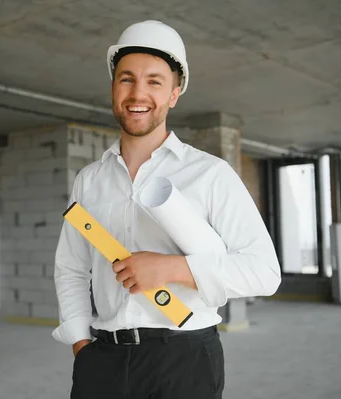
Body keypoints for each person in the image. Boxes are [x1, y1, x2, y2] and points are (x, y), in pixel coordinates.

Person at [52, 20, 281, 399]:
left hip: (185, 360)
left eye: (154, 81)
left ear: (174, 94)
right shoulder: (89, 180)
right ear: (113, 87)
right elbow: (72, 268)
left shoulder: (210, 174)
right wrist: (81, 343)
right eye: (126, 79)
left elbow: (264, 272)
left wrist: (170, 268)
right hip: (103, 359)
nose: (137, 93)